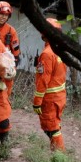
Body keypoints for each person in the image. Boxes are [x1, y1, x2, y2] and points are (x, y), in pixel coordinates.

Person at [33, 18, 67, 152]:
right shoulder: (59, 49)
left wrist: (37, 101)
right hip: (59, 97)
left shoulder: (47, 54)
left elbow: (43, 80)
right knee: (53, 126)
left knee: (51, 128)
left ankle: (60, 157)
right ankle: (57, 154)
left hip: (50, 99)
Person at [0, 1, 21, 98]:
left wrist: (13, 68)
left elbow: (16, 53)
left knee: (5, 93)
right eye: (1, 14)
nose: (3, 17)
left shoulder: (10, 31)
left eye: (6, 15)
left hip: (4, 65)